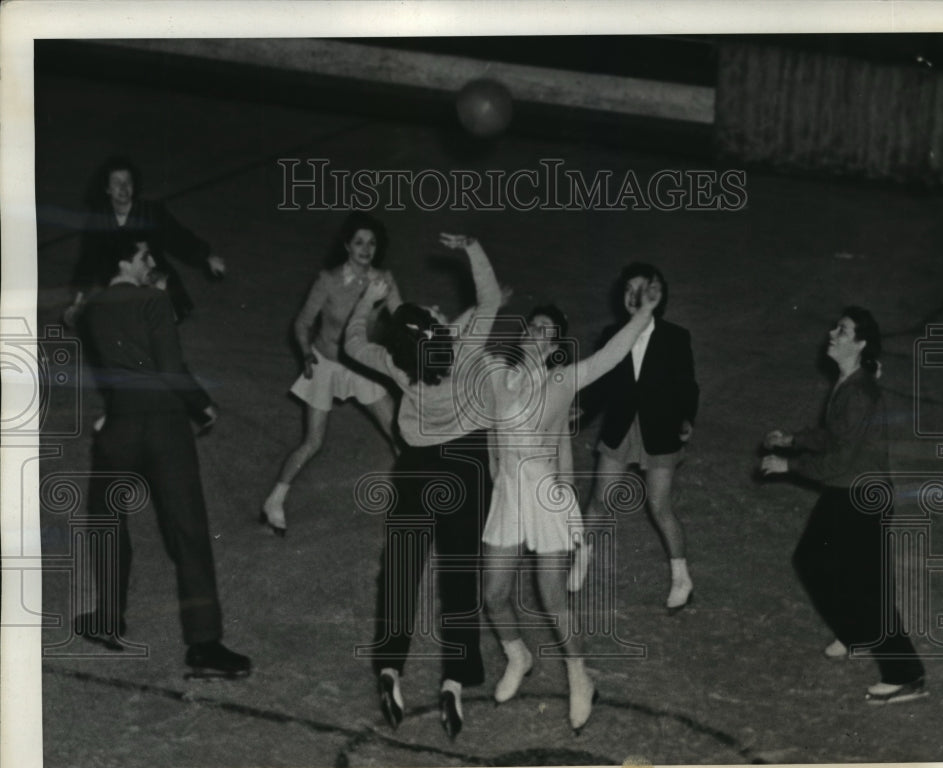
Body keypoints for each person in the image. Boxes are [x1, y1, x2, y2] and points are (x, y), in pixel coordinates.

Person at [344, 233, 501, 740]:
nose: (436, 306)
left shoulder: (400, 362)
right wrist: (473, 248)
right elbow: (491, 298)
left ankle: (390, 667)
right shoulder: (462, 346)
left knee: (402, 566)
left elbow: (350, 342)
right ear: (434, 329)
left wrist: (369, 297)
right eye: (432, 312)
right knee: (460, 572)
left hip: (415, 468)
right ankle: (455, 679)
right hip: (464, 466)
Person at [483, 287, 660, 734]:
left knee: (552, 596)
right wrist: (498, 480)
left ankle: (580, 676)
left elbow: (610, 356)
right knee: (494, 594)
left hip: (545, 496)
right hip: (508, 494)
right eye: (534, 328)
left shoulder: (563, 381)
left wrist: (642, 315)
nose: (538, 335)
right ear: (525, 335)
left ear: (556, 346)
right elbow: (491, 435)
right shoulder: (498, 377)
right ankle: (517, 656)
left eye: (549, 332)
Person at [75, 235, 251, 679]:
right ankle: (204, 645)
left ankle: (109, 618)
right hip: (166, 429)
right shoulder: (154, 301)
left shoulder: (92, 309)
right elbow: (169, 368)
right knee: (188, 531)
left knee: (107, 518)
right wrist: (203, 405)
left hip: (120, 428)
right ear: (124, 261)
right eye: (143, 255)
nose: (150, 261)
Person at [760, 307, 927, 705]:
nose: (832, 333)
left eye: (843, 330)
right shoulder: (850, 382)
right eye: (835, 327)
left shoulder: (858, 391)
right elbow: (834, 436)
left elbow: (839, 460)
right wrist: (793, 439)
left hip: (860, 497)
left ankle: (906, 675)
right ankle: (856, 634)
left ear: (860, 343)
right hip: (849, 492)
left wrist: (789, 464)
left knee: (868, 587)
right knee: (813, 560)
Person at [260, 211, 401, 536]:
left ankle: (416, 502)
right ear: (347, 246)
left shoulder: (384, 280)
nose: (366, 249)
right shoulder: (328, 280)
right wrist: (307, 353)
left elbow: (401, 317)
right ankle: (274, 501)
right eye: (359, 242)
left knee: (397, 432)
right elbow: (302, 323)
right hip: (325, 363)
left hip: (362, 365)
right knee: (313, 441)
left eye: (372, 243)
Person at [577, 263, 700, 613]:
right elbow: (599, 387)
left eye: (640, 290)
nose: (632, 297)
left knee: (659, 506)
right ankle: (581, 558)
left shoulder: (676, 337)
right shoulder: (612, 334)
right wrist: (580, 414)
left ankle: (681, 576)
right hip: (620, 428)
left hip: (660, 431)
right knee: (599, 500)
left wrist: (686, 417)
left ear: (655, 296)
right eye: (627, 290)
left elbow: (687, 384)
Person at [63, 155, 227, 327]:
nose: (124, 187)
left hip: (156, 284)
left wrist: (206, 257)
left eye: (128, 181)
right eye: (117, 182)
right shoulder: (99, 221)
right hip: (119, 287)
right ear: (107, 189)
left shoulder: (151, 212)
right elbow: (89, 261)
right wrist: (79, 299)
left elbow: (179, 238)